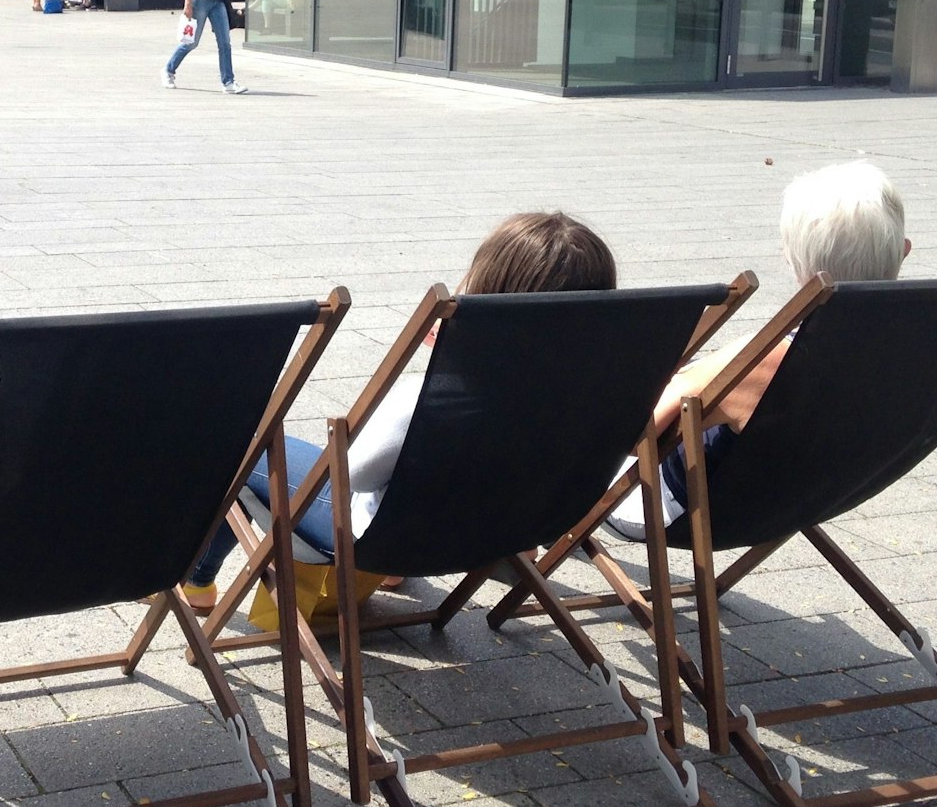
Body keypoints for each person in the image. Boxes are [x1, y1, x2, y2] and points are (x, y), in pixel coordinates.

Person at [178, 211, 620, 611]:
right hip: (507, 530)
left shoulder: (438, 397)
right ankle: (395, 564)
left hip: (383, 537)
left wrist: (439, 371)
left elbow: (356, 473)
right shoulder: (601, 394)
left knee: (243, 447)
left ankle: (197, 581)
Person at [606, 161, 911, 540]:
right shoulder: (919, 351)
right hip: (814, 496)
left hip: (674, 504)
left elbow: (633, 435)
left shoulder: (765, 361)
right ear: (904, 251)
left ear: (793, 263)